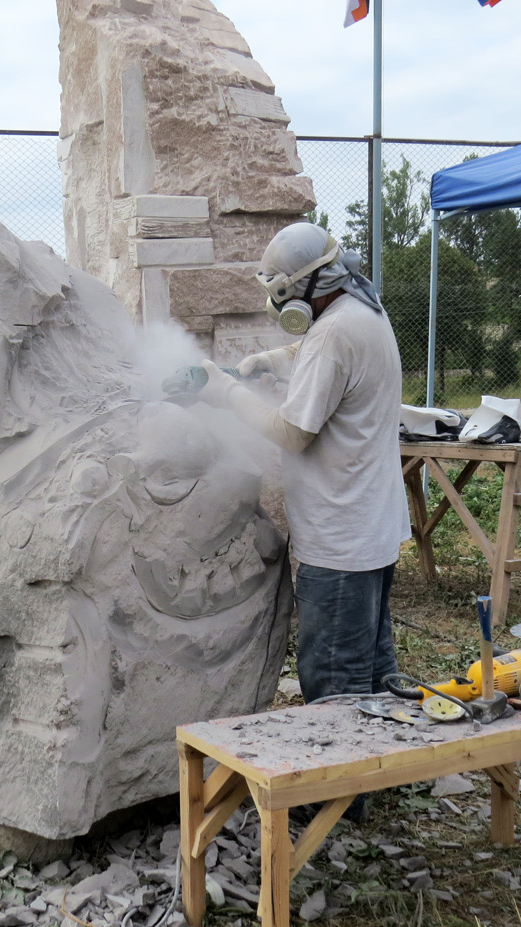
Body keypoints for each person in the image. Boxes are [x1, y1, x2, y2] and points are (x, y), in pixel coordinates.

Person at [197, 221, 411, 712]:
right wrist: (272, 360)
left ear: (305, 287)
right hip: (369, 531)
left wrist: (226, 393)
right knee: (375, 676)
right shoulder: (363, 308)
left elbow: (293, 432)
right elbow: (316, 350)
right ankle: (378, 760)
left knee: (336, 685)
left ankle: (344, 766)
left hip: (340, 544)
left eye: (283, 294)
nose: (280, 306)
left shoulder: (333, 333)